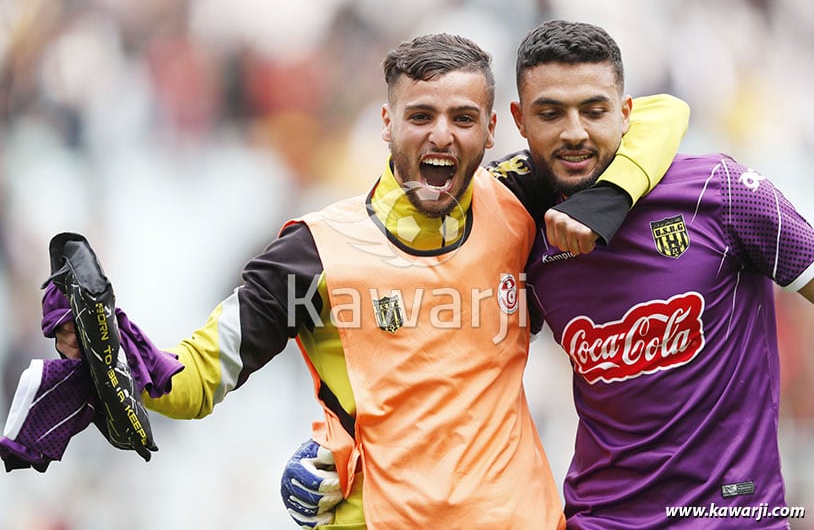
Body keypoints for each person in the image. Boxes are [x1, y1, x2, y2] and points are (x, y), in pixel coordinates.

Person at [32, 32, 689, 528]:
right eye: (420, 115)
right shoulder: (310, 255)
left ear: (493, 130)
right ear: (386, 124)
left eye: (463, 118)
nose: (442, 135)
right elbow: (192, 381)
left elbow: (659, 116)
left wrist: (606, 203)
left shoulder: (516, 205)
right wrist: (105, 346)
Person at [285, 20, 814, 529]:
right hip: (595, 519)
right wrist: (338, 441)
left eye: (594, 110)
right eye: (551, 113)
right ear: (518, 120)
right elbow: (436, 361)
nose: (575, 132)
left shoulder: (721, 195)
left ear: (627, 113)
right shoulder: (518, 231)